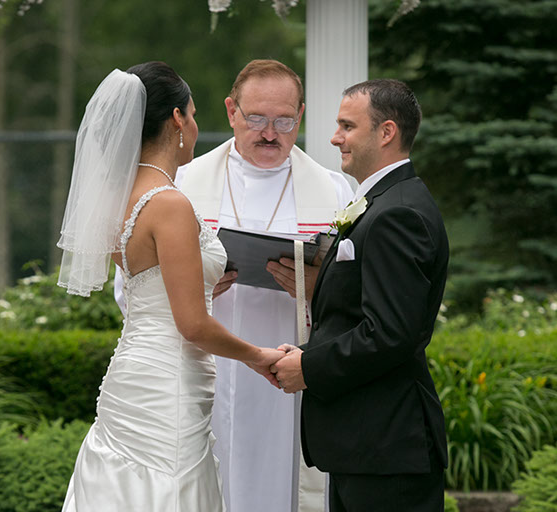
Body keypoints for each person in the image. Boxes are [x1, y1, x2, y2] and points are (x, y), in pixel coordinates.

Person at [114, 59, 354, 512]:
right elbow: (132, 288)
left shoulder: (335, 191)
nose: (270, 134)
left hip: (290, 375)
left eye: (284, 121)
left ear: (301, 116)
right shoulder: (180, 183)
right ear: (231, 111)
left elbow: (359, 298)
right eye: (257, 119)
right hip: (207, 371)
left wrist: (319, 287)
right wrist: (193, 287)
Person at [57, 62, 285, 512]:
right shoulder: (169, 204)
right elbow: (193, 326)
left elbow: (151, 290)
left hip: (131, 378)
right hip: (168, 387)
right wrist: (259, 356)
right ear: (177, 119)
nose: (196, 126)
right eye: (193, 114)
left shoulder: (120, 198)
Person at [272, 79, 449, 511]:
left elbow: (390, 333)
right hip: (367, 447)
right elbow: (364, 311)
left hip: (386, 449)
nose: (335, 138)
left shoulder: (398, 212)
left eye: (347, 126)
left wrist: (308, 367)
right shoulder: (383, 201)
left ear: (386, 132)